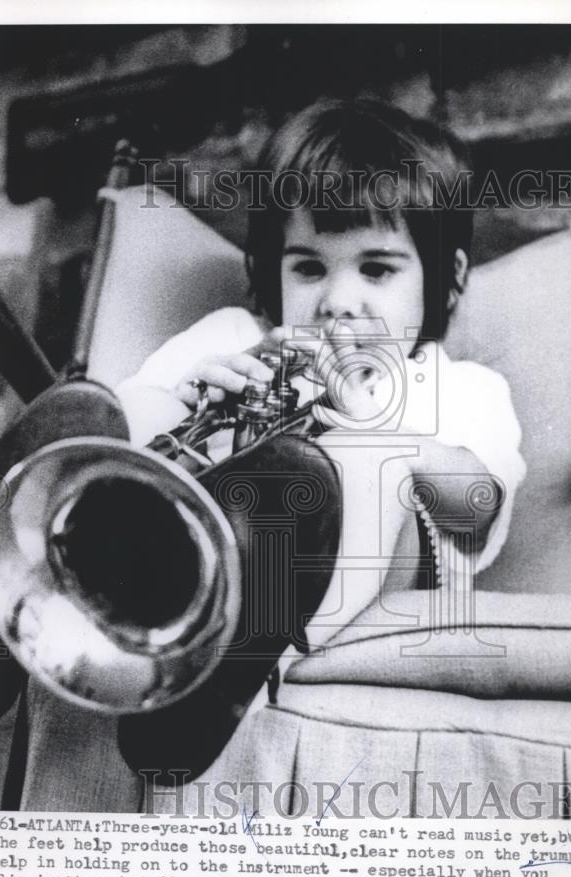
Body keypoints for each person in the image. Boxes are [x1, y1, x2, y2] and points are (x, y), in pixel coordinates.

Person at [115, 98, 526, 651]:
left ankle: (258, 656)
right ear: (269, 269)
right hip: (208, 561)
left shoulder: (460, 386)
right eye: (309, 268)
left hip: (356, 600)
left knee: (367, 461)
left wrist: (381, 432)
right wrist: (190, 399)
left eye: (376, 269)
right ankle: (30, 556)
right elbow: (124, 426)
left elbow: (480, 503)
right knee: (141, 409)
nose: (337, 302)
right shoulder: (234, 335)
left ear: (445, 279)